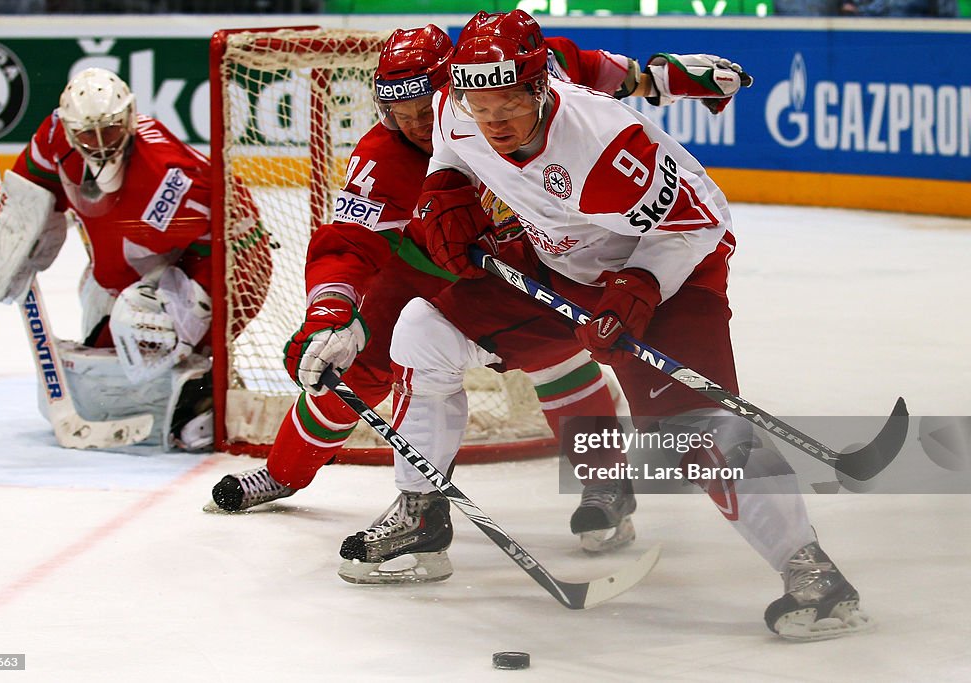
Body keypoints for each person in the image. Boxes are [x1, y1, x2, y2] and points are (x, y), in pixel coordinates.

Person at [342, 9, 871, 641]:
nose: (495, 121)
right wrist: (445, 189)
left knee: (700, 429)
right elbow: (455, 144)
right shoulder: (459, 103)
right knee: (422, 332)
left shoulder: (605, 145)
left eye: (509, 102)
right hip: (557, 259)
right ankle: (422, 514)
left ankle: (812, 574)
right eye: (481, 106)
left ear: (541, 86)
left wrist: (639, 284)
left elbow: (703, 222)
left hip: (669, 266)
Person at [210, 26, 656, 563]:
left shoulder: (507, 86)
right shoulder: (384, 159)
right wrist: (332, 309)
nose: (417, 123)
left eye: (427, 103)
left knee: (553, 353)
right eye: (401, 109)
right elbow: (349, 243)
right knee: (353, 370)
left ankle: (607, 484)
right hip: (418, 270)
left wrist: (663, 77)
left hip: (522, 255)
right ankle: (283, 474)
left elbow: (587, 66)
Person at [0, 67, 269, 450]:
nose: (98, 143)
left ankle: (206, 394)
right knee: (101, 319)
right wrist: (16, 233)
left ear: (129, 118)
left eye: (108, 129)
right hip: (156, 262)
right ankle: (171, 376)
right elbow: (31, 188)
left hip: (233, 268)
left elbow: (224, 242)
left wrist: (195, 314)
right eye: (87, 133)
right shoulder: (57, 134)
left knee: (138, 323)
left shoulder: (168, 179)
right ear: (68, 127)